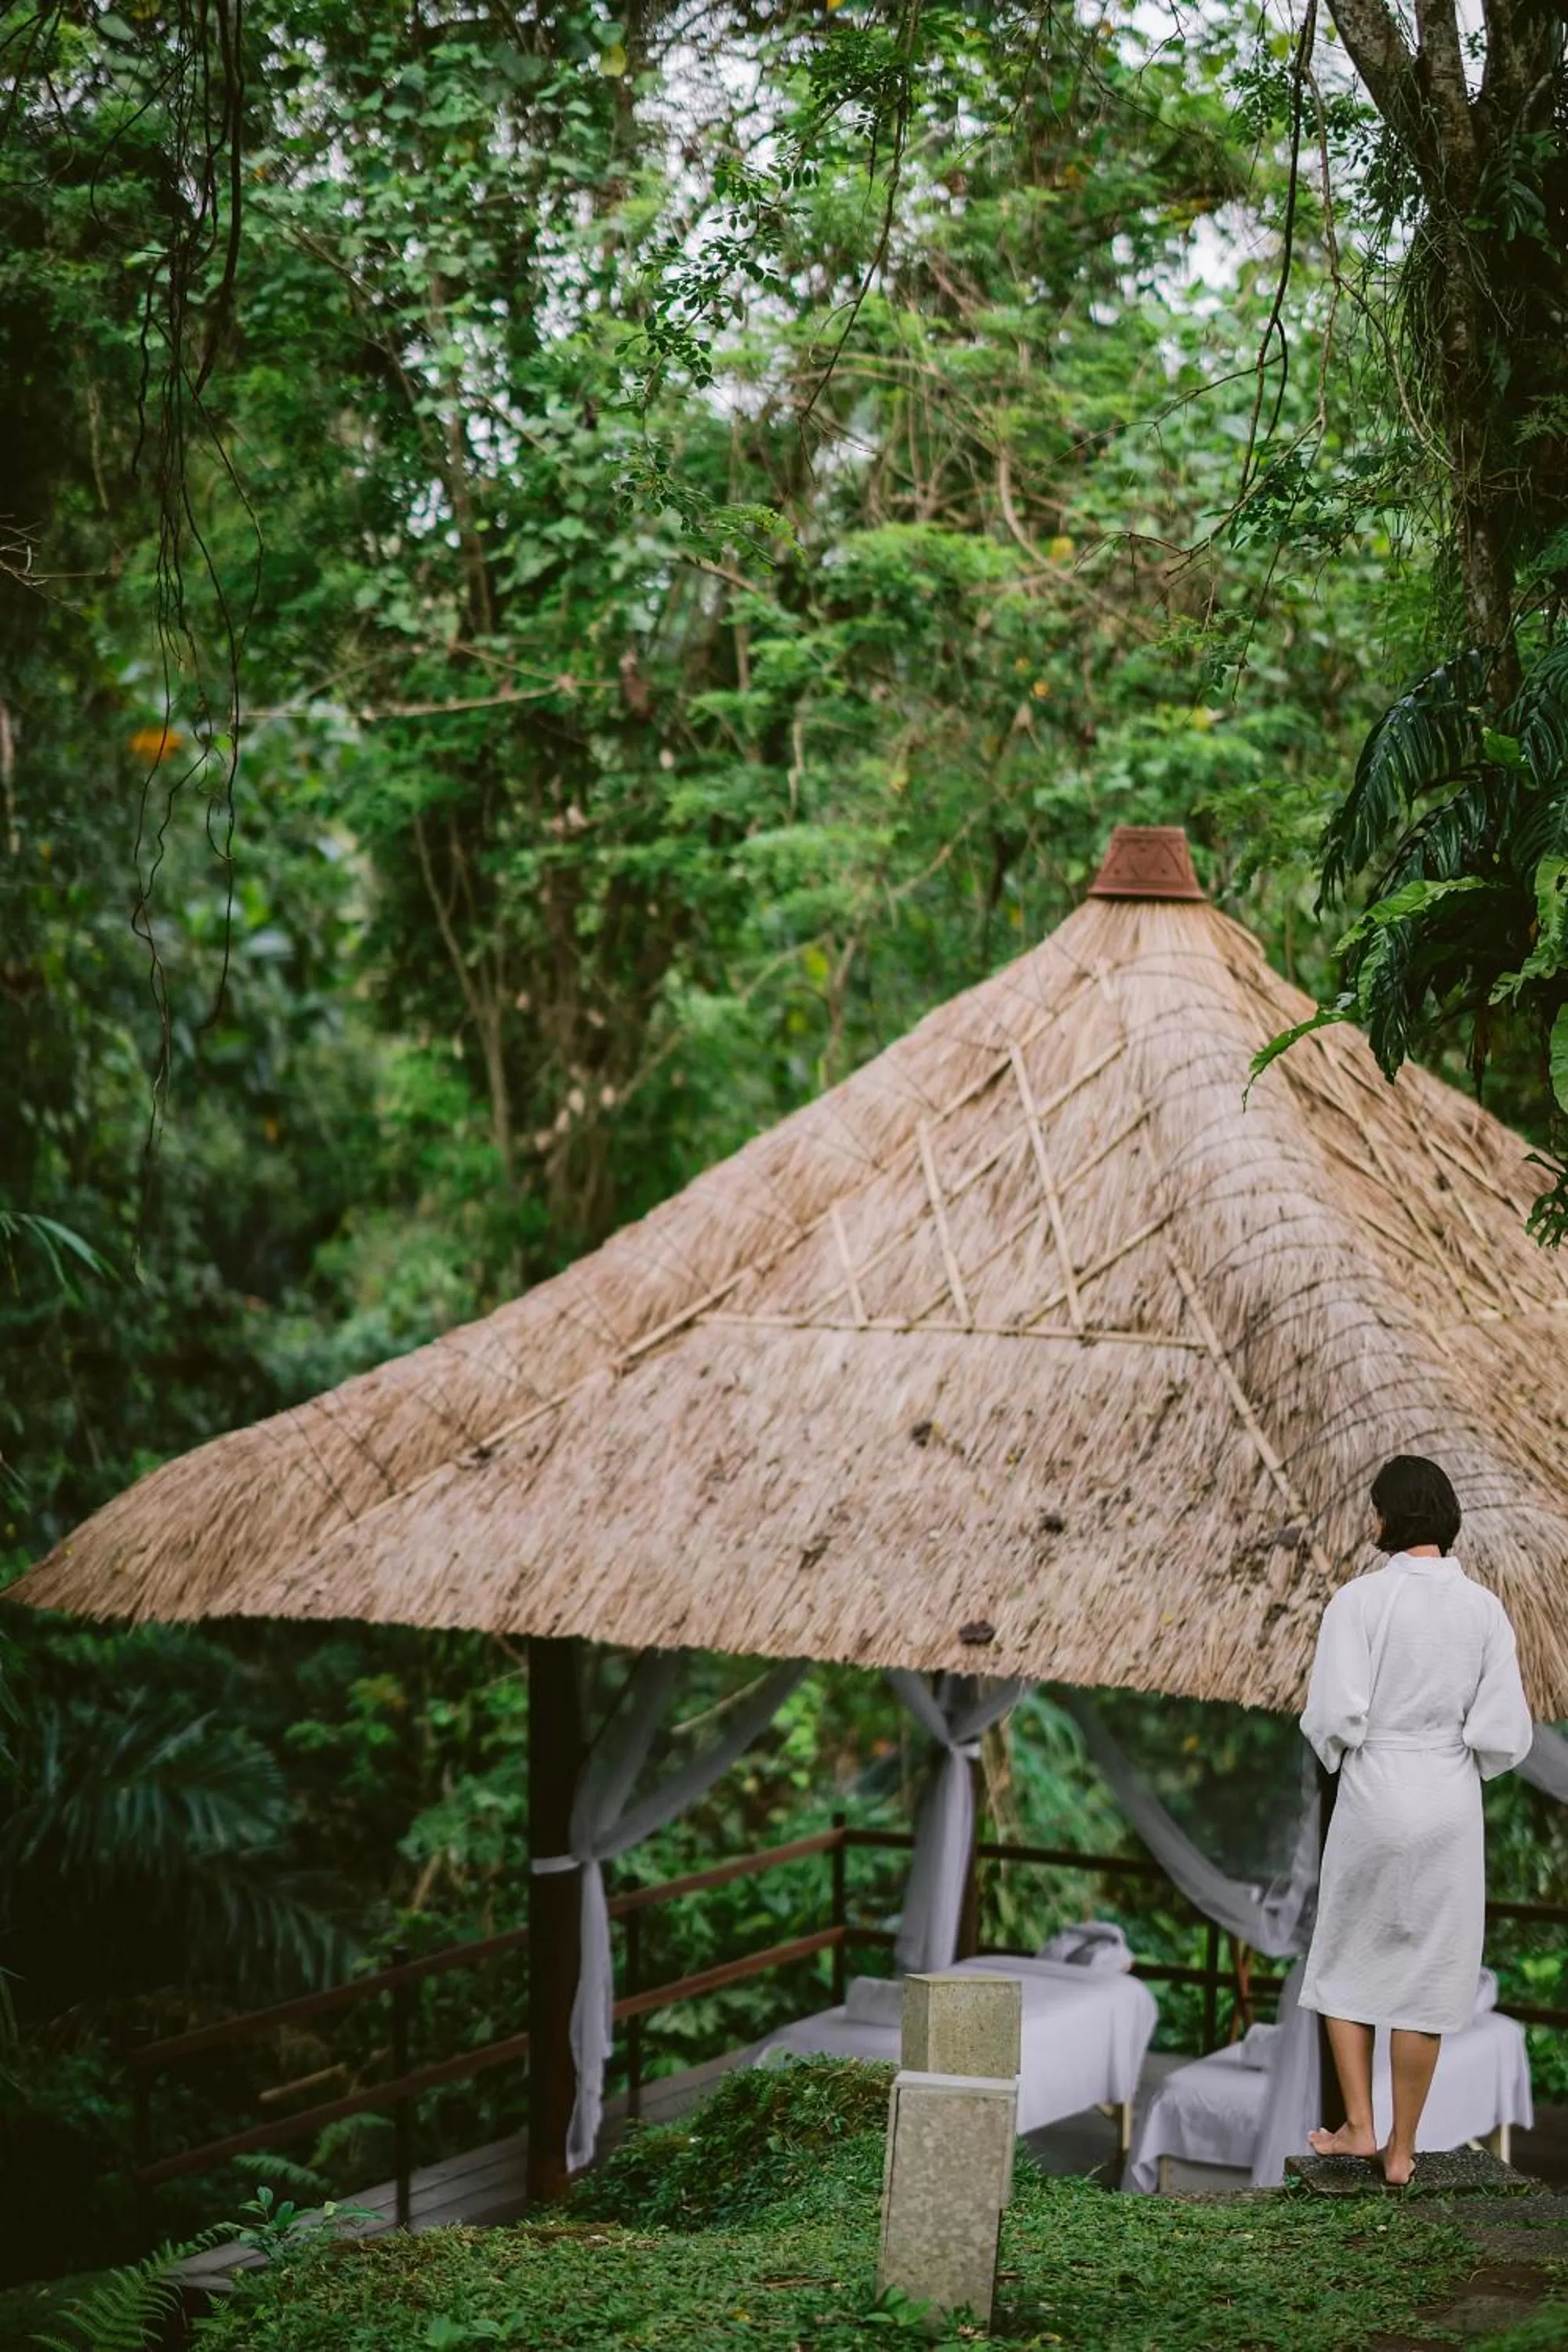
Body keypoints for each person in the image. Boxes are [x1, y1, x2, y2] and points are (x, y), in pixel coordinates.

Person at [1298, 1454, 1534, 2184]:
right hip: (1449, 1799)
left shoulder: (1358, 1602)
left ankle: (1358, 2126)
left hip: (1377, 1790)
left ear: (1391, 1517)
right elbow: (1503, 1733)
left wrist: (1344, 1753)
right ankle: (1402, 2151)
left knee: (1344, 1957)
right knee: (1428, 1977)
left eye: (1375, 1508)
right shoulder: (1484, 1609)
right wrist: (1457, 1759)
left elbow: (1335, 1714)